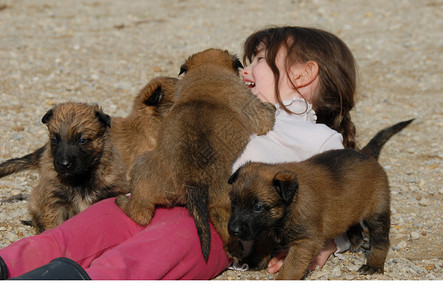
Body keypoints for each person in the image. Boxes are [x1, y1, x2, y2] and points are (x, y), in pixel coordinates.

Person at [0, 26, 357, 280]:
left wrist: (329, 242)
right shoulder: (224, 102)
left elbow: (344, 196)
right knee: (79, 231)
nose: (244, 71)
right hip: (153, 195)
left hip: (215, 224)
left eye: (259, 60)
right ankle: (9, 267)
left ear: (304, 73)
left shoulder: (320, 139)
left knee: (147, 257)